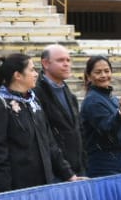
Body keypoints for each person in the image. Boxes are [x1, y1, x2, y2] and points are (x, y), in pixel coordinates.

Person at [0, 52, 75, 193]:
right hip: (16, 190)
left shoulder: (33, 102)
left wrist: (68, 174)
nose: (36, 74)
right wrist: (5, 192)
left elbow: (49, 142)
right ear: (17, 75)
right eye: (31, 70)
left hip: (43, 185)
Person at [80, 55, 121, 177]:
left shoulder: (113, 99)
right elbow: (106, 130)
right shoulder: (92, 101)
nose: (104, 75)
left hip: (119, 164)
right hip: (102, 166)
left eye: (107, 71)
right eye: (98, 72)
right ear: (89, 76)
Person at [34, 44, 85, 175]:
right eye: (60, 60)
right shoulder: (35, 94)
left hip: (76, 169)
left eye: (68, 60)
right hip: (54, 172)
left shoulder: (69, 94)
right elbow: (46, 138)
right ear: (45, 63)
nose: (66, 64)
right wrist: (65, 170)